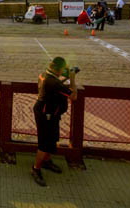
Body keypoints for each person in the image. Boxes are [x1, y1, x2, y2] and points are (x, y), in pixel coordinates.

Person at [32, 57, 78, 187]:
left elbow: (55, 84)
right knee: (44, 144)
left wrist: (63, 76)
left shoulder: (44, 75)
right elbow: (74, 96)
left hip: (49, 113)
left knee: (52, 140)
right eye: (63, 70)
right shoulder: (54, 82)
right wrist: (72, 78)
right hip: (46, 114)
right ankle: (36, 168)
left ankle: (47, 161)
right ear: (58, 70)